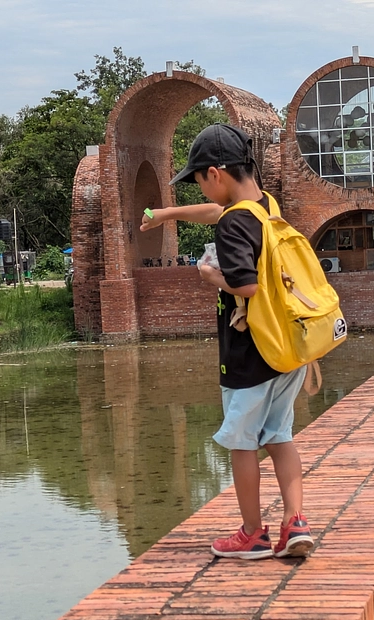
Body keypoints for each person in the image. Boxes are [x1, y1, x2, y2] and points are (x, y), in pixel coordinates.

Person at [140, 123, 314, 560]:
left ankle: (252, 533)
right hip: (289, 347)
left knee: (242, 440)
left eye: (199, 179)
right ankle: (295, 523)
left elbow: (247, 287)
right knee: (280, 434)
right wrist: (167, 214)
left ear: (215, 173)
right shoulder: (264, 207)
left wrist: (208, 276)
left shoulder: (234, 226)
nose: (200, 187)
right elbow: (216, 211)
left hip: (250, 350)